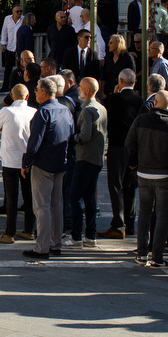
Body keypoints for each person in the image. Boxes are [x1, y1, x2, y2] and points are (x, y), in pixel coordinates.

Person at [128, 90, 168, 267]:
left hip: (144, 173)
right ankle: (157, 257)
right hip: (165, 175)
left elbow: (129, 143)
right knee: (162, 214)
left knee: (144, 213)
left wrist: (141, 157)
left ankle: (141, 254)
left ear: (154, 104)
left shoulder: (140, 120)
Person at [20, 75, 73, 257]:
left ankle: (41, 247)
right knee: (56, 205)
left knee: (42, 206)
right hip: (61, 163)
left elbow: (34, 141)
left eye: (36, 91)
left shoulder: (42, 113)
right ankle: (55, 243)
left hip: (44, 164)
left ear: (43, 93)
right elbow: (71, 135)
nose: (35, 93)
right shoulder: (65, 110)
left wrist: (26, 162)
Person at [0, 83, 36, 244]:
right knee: (29, 196)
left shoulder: (6, 111)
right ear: (28, 96)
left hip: (10, 159)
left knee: (11, 197)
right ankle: (29, 229)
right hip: (28, 160)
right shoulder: (34, 112)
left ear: (12, 95)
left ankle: (9, 232)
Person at [102, 68, 143, 238]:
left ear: (120, 81)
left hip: (117, 146)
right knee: (130, 186)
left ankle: (118, 224)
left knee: (115, 185)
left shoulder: (113, 99)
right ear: (134, 82)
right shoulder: (139, 100)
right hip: (134, 148)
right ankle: (131, 222)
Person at [68, 77, 106, 245]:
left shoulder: (88, 110)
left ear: (88, 91)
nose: (78, 90)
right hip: (97, 157)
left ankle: (76, 235)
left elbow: (85, 135)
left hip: (86, 158)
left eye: (81, 87)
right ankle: (91, 235)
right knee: (89, 197)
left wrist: (73, 138)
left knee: (75, 197)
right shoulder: (101, 108)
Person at [0, 4, 23, 89]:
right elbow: (4, 31)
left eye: (20, 11)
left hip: (20, 47)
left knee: (20, 68)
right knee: (8, 68)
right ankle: (5, 86)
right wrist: (3, 43)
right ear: (13, 12)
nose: (19, 13)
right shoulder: (7, 19)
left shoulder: (23, 19)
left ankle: (20, 86)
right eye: (17, 11)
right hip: (10, 47)